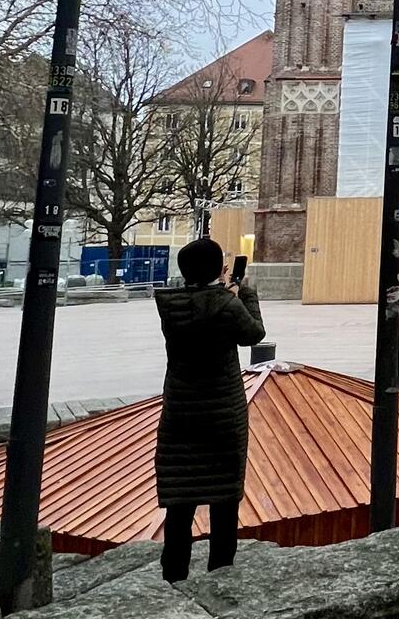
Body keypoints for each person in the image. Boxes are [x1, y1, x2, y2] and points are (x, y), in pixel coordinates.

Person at [153, 237, 265, 582]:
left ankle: (174, 574)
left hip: (180, 413)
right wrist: (244, 292)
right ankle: (220, 572)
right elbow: (254, 334)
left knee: (180, 500)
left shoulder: (169, 305)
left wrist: (220, 289)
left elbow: (202, 308)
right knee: (223, 498)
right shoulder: (226, 305)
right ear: (219, 268)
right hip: (222, 413)